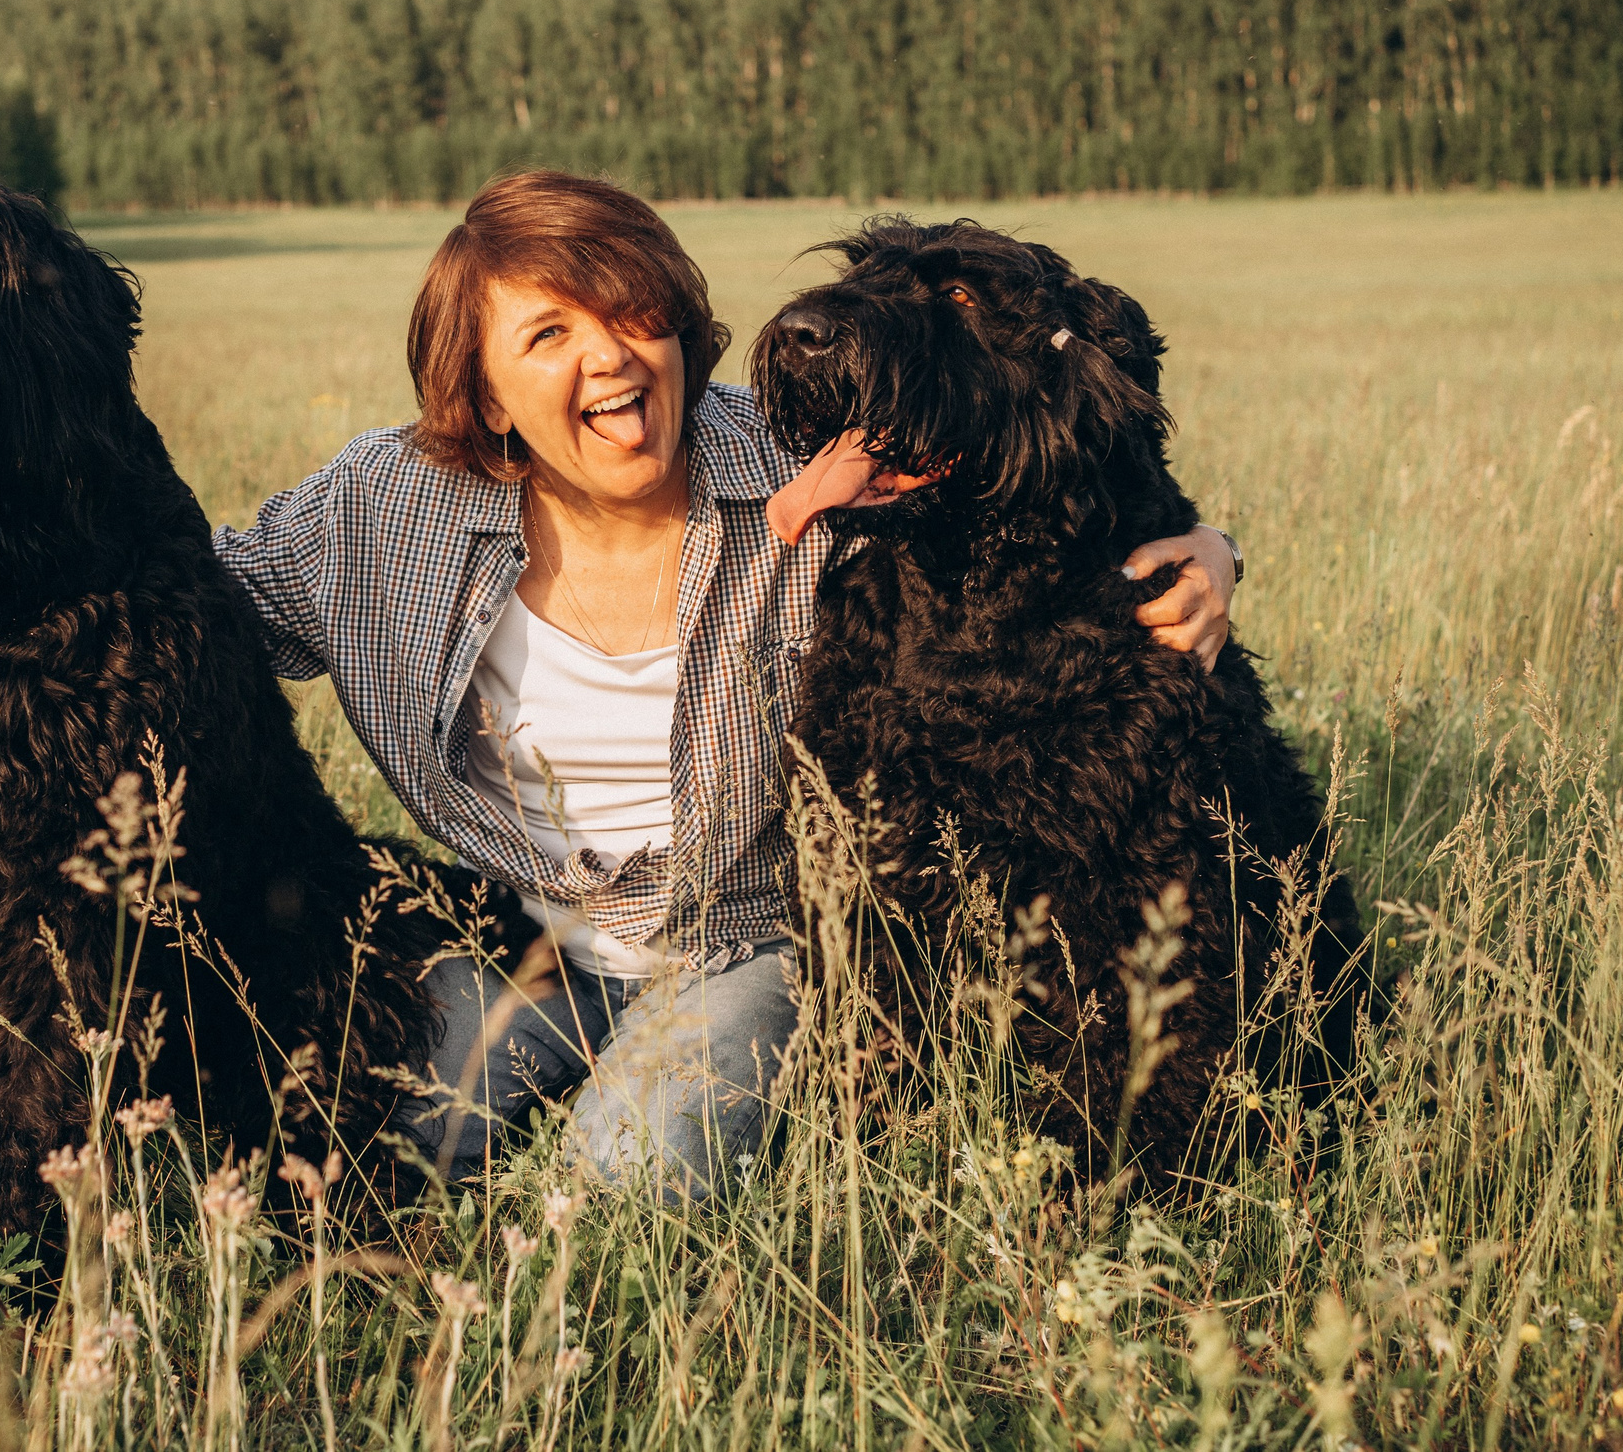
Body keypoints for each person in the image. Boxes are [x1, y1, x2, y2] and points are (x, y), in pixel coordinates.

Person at [212, 171, 1237, 1204]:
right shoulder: (383, 509)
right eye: (548, 335)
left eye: (632, 313)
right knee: (337, 1157)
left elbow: (1049, 479)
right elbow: (182, 604)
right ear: (483, 395)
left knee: (633, 1180)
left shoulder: (810, 471)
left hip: (744, 944)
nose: (608, 356)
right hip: (519, 937)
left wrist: (1208, 551)